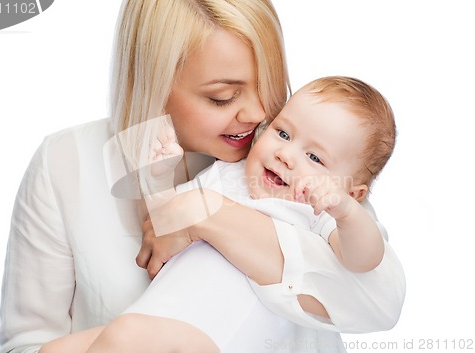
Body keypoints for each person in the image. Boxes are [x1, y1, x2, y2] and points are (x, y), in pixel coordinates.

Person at [0, 0, 405, 352]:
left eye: (268, 86)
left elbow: (377, 301)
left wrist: (204, 214)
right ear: (153, 81)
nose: (260, 114)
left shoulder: (313, 174)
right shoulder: (65, 162)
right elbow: (27, 343)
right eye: (222, 97)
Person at [39, 76, 402, 353]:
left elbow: (364, 260)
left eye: (315, 158)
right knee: (56, 349)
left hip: (213, 334)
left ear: (352, 191)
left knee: (126, 336)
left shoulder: (315, 213)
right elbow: (165, 224)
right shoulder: (228, 175)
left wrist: (348, 214)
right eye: (283, 133)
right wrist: (161, 176)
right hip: (161, 312)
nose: (286, 155)